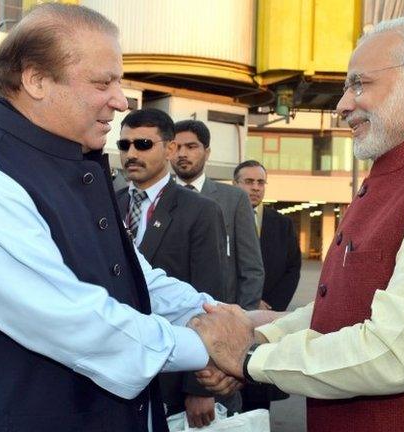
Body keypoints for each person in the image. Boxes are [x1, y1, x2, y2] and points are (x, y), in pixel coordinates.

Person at [0, 4, 247, 431]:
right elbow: (70, 319)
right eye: (103, 82)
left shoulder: (73, 166)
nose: (120, 100)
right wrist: (205, 344)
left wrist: (224, 316)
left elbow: (138, 282)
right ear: (36, 80)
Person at [193, 16, 404, 431]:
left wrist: (248, 359)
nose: (342, 104)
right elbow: (351, 307)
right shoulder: (398, 172)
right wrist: (260, 330)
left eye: (360, 84)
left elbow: (393, 352)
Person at [115, 108, 233, 427]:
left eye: (143, 144)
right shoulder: (108, 205)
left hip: (173, 378)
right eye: (124, 145)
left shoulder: (201, 211)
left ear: (169, 149)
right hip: (117, 372)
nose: (131, 153)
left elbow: (210, 297)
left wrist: (200, 387)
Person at [172, 120, 264, 310]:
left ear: (207, 152)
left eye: (191, 146)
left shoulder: (234, 199)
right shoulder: (158, 197)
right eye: (177, 147)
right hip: (168, 315)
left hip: (219, 313)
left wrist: (242, 318)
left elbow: (251, 268)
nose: (182, 153)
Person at [232, 159, 300, 412]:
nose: (256, 188)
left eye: (260, 182)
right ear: (234, 184)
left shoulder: (281, 223)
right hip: (233, 311)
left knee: (258, 385)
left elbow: (293, 268)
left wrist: (269, 305)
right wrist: (248, 302)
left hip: (268, 317)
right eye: (248, 182)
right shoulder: (217, 215)